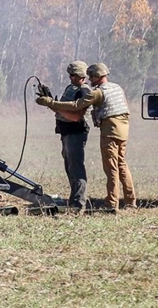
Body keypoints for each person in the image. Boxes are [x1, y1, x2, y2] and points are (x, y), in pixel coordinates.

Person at [35, 62, 136, 211]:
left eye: (91, 77)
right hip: (123, 129)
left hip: (110, 130)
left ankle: (111, 203)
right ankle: (130, 201)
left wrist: (51, 103)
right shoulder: (116, 87)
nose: (89, 79)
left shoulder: (97, 92)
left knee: (111, 168)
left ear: (97, 76)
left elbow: (77, 107)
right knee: (121, 164)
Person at [40, 61, 91, 211]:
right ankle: (74, 200)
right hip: (66, 131)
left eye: (74, 75)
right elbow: (60, 110)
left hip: (76, 131)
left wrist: (53, 104)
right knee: (69, 167)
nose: (71, 77)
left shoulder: (84, 91)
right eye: (70, 75)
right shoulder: (71, 88)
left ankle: (78, 203)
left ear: (82, 75)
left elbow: (76, 116)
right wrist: (50, 103)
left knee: (76, 167)